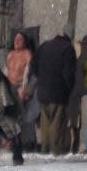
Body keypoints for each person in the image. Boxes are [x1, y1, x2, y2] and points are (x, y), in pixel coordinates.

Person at [31, 26, 77, 155]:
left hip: (42, 91)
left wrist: (42, 79)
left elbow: (33, 67)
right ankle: (56, 149)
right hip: (58, 91)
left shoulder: (44, 46)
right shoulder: (67, 49)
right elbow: (68, 73)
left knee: (45, 120)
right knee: (57, 121)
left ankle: (44, 148)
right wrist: (69, 88)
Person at [7, 31, 37, 150]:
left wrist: (24, 88)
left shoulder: (27, 54)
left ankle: (28, 143)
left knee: (25, 115)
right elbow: (6, 71)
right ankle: (12, 141)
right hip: (10, 87)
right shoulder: (10, 54)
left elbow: (28, 72)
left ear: (25, 42)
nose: (17, 41)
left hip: (21, 86)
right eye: (15, 39)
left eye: (20, 39)